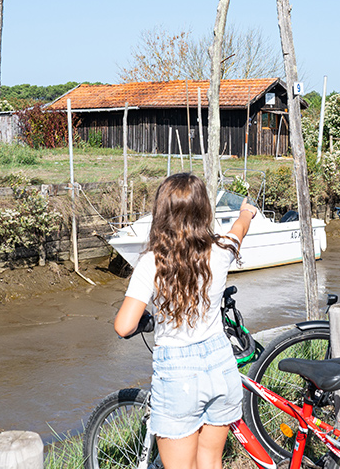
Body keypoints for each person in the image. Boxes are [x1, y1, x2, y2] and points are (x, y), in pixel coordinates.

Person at [114, 173, 257, 469]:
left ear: (161, 212)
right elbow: (239, 229)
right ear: (204, 210)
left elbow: (123, 326)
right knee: (210, 461)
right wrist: (247, 212)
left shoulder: (153, 262)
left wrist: (144, 321)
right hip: (221, 363)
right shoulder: (221, 250)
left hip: (178, 372)